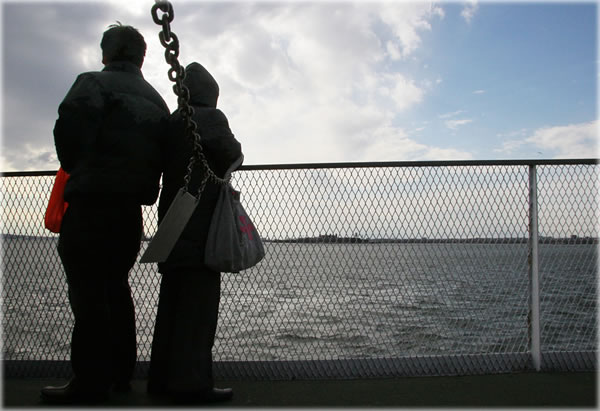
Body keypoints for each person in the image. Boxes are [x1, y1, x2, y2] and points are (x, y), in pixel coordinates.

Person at [41, 23, 170, 404]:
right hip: (129, 215)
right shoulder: (157, 101)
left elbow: (70, 142)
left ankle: (89, 382)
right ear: (141, 57)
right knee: (116, 288)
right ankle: (119, 375)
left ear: (106, 53)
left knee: (88, 294)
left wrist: (85, 166)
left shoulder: (92, 84)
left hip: (91, 206)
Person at [147, 62, 242, 404]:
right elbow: (233, 155)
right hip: (202, 230)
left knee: (171, 305)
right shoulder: (211, 119)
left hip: (171, 223)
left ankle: (160, 380)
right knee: (198, 311)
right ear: (211, 95)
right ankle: (192, 385)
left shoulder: (172, 122)